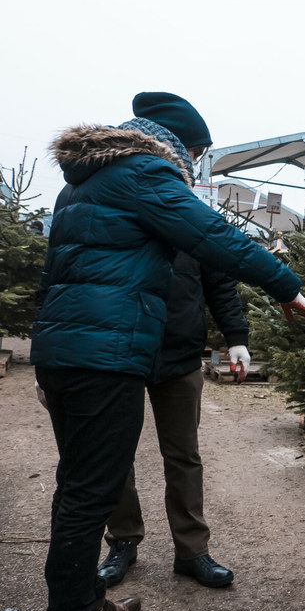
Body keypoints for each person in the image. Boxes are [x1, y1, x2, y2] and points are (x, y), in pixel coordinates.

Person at [32, 92, 305, 611]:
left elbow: (55, 276)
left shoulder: (82, 183)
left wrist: (46, 347)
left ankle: (84, 601)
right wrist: (285, 284)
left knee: (77, 485)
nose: (194, 162)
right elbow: (216, 236)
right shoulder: (146, 173)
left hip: (70, 354)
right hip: (108, 357)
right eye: (195, 150)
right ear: (174, 143)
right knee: (93, 490)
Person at [95, 250, 250, 590]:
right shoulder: (123, 209)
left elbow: (219, 284)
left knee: (184, 456)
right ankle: (123, 539)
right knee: (115, 452)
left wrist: (236, 337)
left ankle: (192, 551)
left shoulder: (190, 219)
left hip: (180, 356)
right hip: (121, 353)